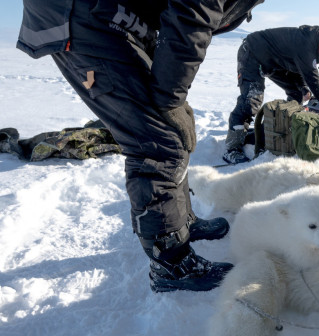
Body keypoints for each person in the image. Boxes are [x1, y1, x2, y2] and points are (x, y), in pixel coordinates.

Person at [17, 0, 267, 292]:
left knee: (175, 129)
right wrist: (169, 101)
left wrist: (171, 101)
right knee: (158, 141)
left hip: (116, 16)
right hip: (80, 14)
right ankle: (171, 262)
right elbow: (193, 14)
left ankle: (181, 223)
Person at [222, 26, 319, 164]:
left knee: (297, 93)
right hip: (252, 53)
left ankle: (279, 129)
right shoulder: (307, 44)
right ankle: (232, 148)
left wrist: (302, 88)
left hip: (274, 61)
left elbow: (299, 67)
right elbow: (313, 80)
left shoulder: (313, 46)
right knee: (251, 101)